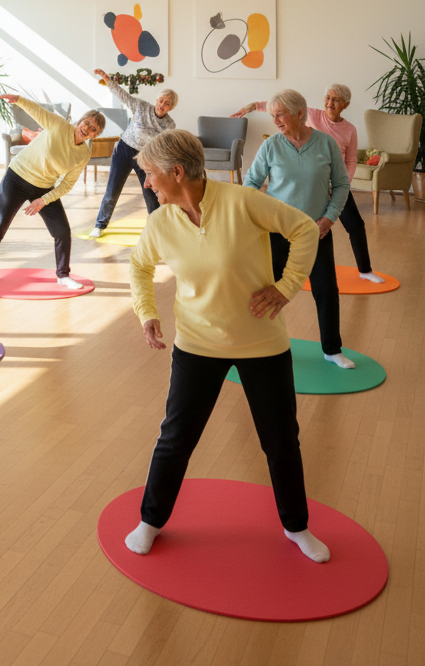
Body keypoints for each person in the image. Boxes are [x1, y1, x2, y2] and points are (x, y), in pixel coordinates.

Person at [127, 129, 330, 563]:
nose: (146, 183)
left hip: (261, 344)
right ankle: (151, 521)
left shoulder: (241, 202)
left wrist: (286, 287)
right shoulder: (160, 222)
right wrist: (147, 313)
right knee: (176, 437)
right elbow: (140, 267)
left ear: (176, 172)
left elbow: (304, 230)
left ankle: (296, 527)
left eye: (149, 174)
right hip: (197, 343)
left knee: (280, 441)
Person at [244, 89, 353, 369]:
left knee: (326, 290)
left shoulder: (326, 144)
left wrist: (329, 217)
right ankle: (255, 344)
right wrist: (257, 216)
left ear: (300, 114)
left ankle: (332, 349)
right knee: (266, 289)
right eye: (272, 115)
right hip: (278, 231)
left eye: (279, 114)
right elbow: (251, 184)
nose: (275, 120)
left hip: (316, 231)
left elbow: (341, 185)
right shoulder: (271, 146)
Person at [232, 84, 384, 283]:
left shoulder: (349, 130)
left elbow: (351, 161)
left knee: (355, 225)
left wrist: (339, 188)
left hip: (334, 181)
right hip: (298, 186)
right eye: (328, 98)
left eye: (336, 100)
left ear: (345, 105)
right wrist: (250, 107)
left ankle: (365, 270)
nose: (330, 103)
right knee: (271, 278)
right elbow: (275, 105)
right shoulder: (311, 115)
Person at [0, 96, 105, 289]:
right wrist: (18, 100)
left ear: (95, 135)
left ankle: (62, 275)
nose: (87, 128)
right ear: (80, 121)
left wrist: (43, 200)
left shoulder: (83, 154)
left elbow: (67, 184)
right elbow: (37, 111)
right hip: (17, 177)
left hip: (43, 187)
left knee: (62, 231)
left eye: (93, 129)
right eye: (86, 123)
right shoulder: (59, 125)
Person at [88, 69, 178, 237]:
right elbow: (123, 96)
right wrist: (108, 80)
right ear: (156, 100)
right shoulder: (142, 106)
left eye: (167, 104)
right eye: (161, 100)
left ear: (171, 108)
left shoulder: (169, 124)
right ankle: (100, 225)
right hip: (124, 150)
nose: (162, 105)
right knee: (112, 189)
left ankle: (156, 227)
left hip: (145, 157)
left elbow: (166, 146)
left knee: (151, 192)